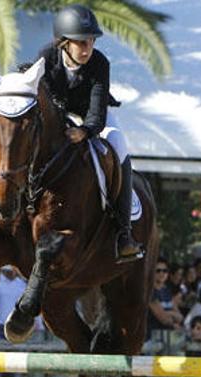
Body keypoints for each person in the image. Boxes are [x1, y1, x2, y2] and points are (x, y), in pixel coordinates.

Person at [40, 4, 143, 262]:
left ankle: (124, 233)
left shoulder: (99, 63)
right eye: (80, 43)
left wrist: (86, 131)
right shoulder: (46, 58)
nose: (87, 49)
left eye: (90, 42)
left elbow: (97, 110)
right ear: (64, 43)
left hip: (91, 116)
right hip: (60, 117)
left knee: (118, 143)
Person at [143, 257, 183, 377]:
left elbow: (179, 316)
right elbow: (163, 318)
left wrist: (171, 315)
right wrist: (172, 315)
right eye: (158, 270)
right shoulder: (149, 292)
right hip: (151, 339)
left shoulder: (166, 291)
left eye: (164, 271)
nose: (162, 274)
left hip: (168, 341)